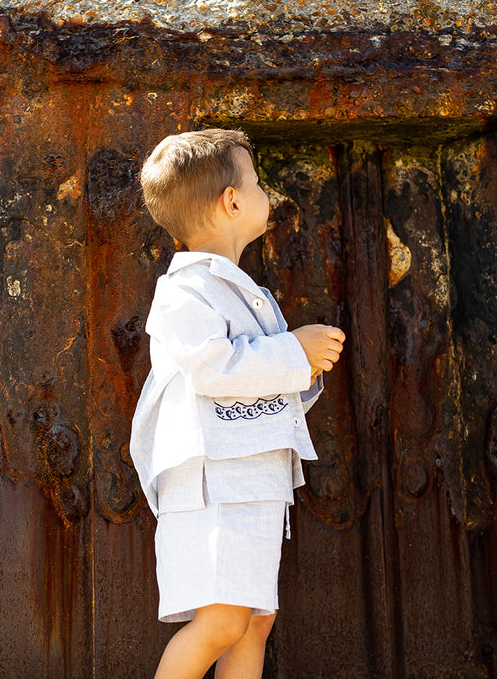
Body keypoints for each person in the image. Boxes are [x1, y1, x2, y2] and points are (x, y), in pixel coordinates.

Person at [130, 129, 346, 679]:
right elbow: (214, 366)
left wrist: (303, 363)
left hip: (249, 479)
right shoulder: (184, 291)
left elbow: (258, 382)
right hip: (212, 485)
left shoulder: (235, 286)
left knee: (253, 621)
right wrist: (293, 351)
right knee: (223, 621)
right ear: (231, 201)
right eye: (255, 182)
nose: (261, 191)